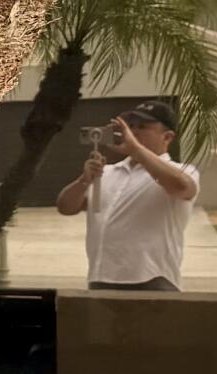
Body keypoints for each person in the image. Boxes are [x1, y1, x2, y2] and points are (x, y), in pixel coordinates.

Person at [55, 101, 199, 289]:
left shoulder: (182, 171)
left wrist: (136, 150)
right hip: (101, 278)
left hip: (152, 279)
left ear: (168, 137)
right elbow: (66, 207)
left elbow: (181, 187)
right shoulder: (107, 172)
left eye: (143, 127)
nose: (133, 132)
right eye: (131, 126)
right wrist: (84, 180)